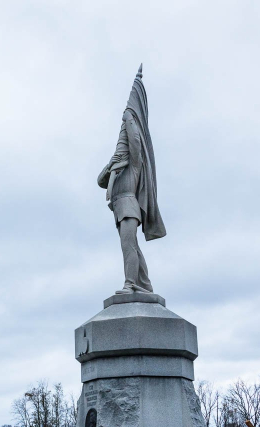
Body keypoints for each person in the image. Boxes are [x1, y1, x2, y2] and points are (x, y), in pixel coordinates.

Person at [97, 64, 166, 294]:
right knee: (132, 248)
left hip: (128, 205)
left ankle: (131, 283)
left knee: (128, 246)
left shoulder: (134, 164)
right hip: (118, 207)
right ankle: (144, 284)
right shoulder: (117, 166)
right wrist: (111, 165)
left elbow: (135, 141)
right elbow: (99, 181)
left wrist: (128, 119)